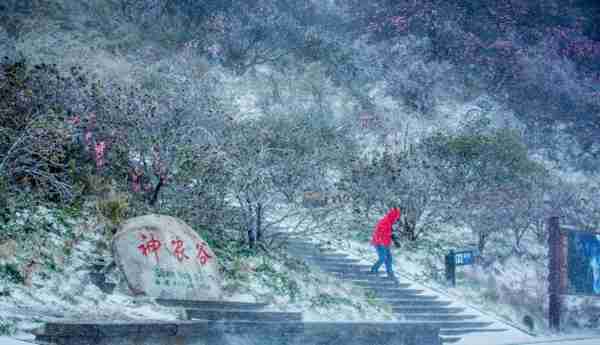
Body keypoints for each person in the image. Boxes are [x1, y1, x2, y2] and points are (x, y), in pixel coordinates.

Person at [370, 207, 402, 279]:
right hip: (379, 243)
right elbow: (380, 233)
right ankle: (374, 269)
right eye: (396, 217)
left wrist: (395, 241)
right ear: (393, 216)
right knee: (383, 257)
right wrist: (380, 242)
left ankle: (390, 273)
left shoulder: (389, 222)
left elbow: (390, 233)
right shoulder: (385, 222)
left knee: (389, 258)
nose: (397, 219)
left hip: (385, 243)